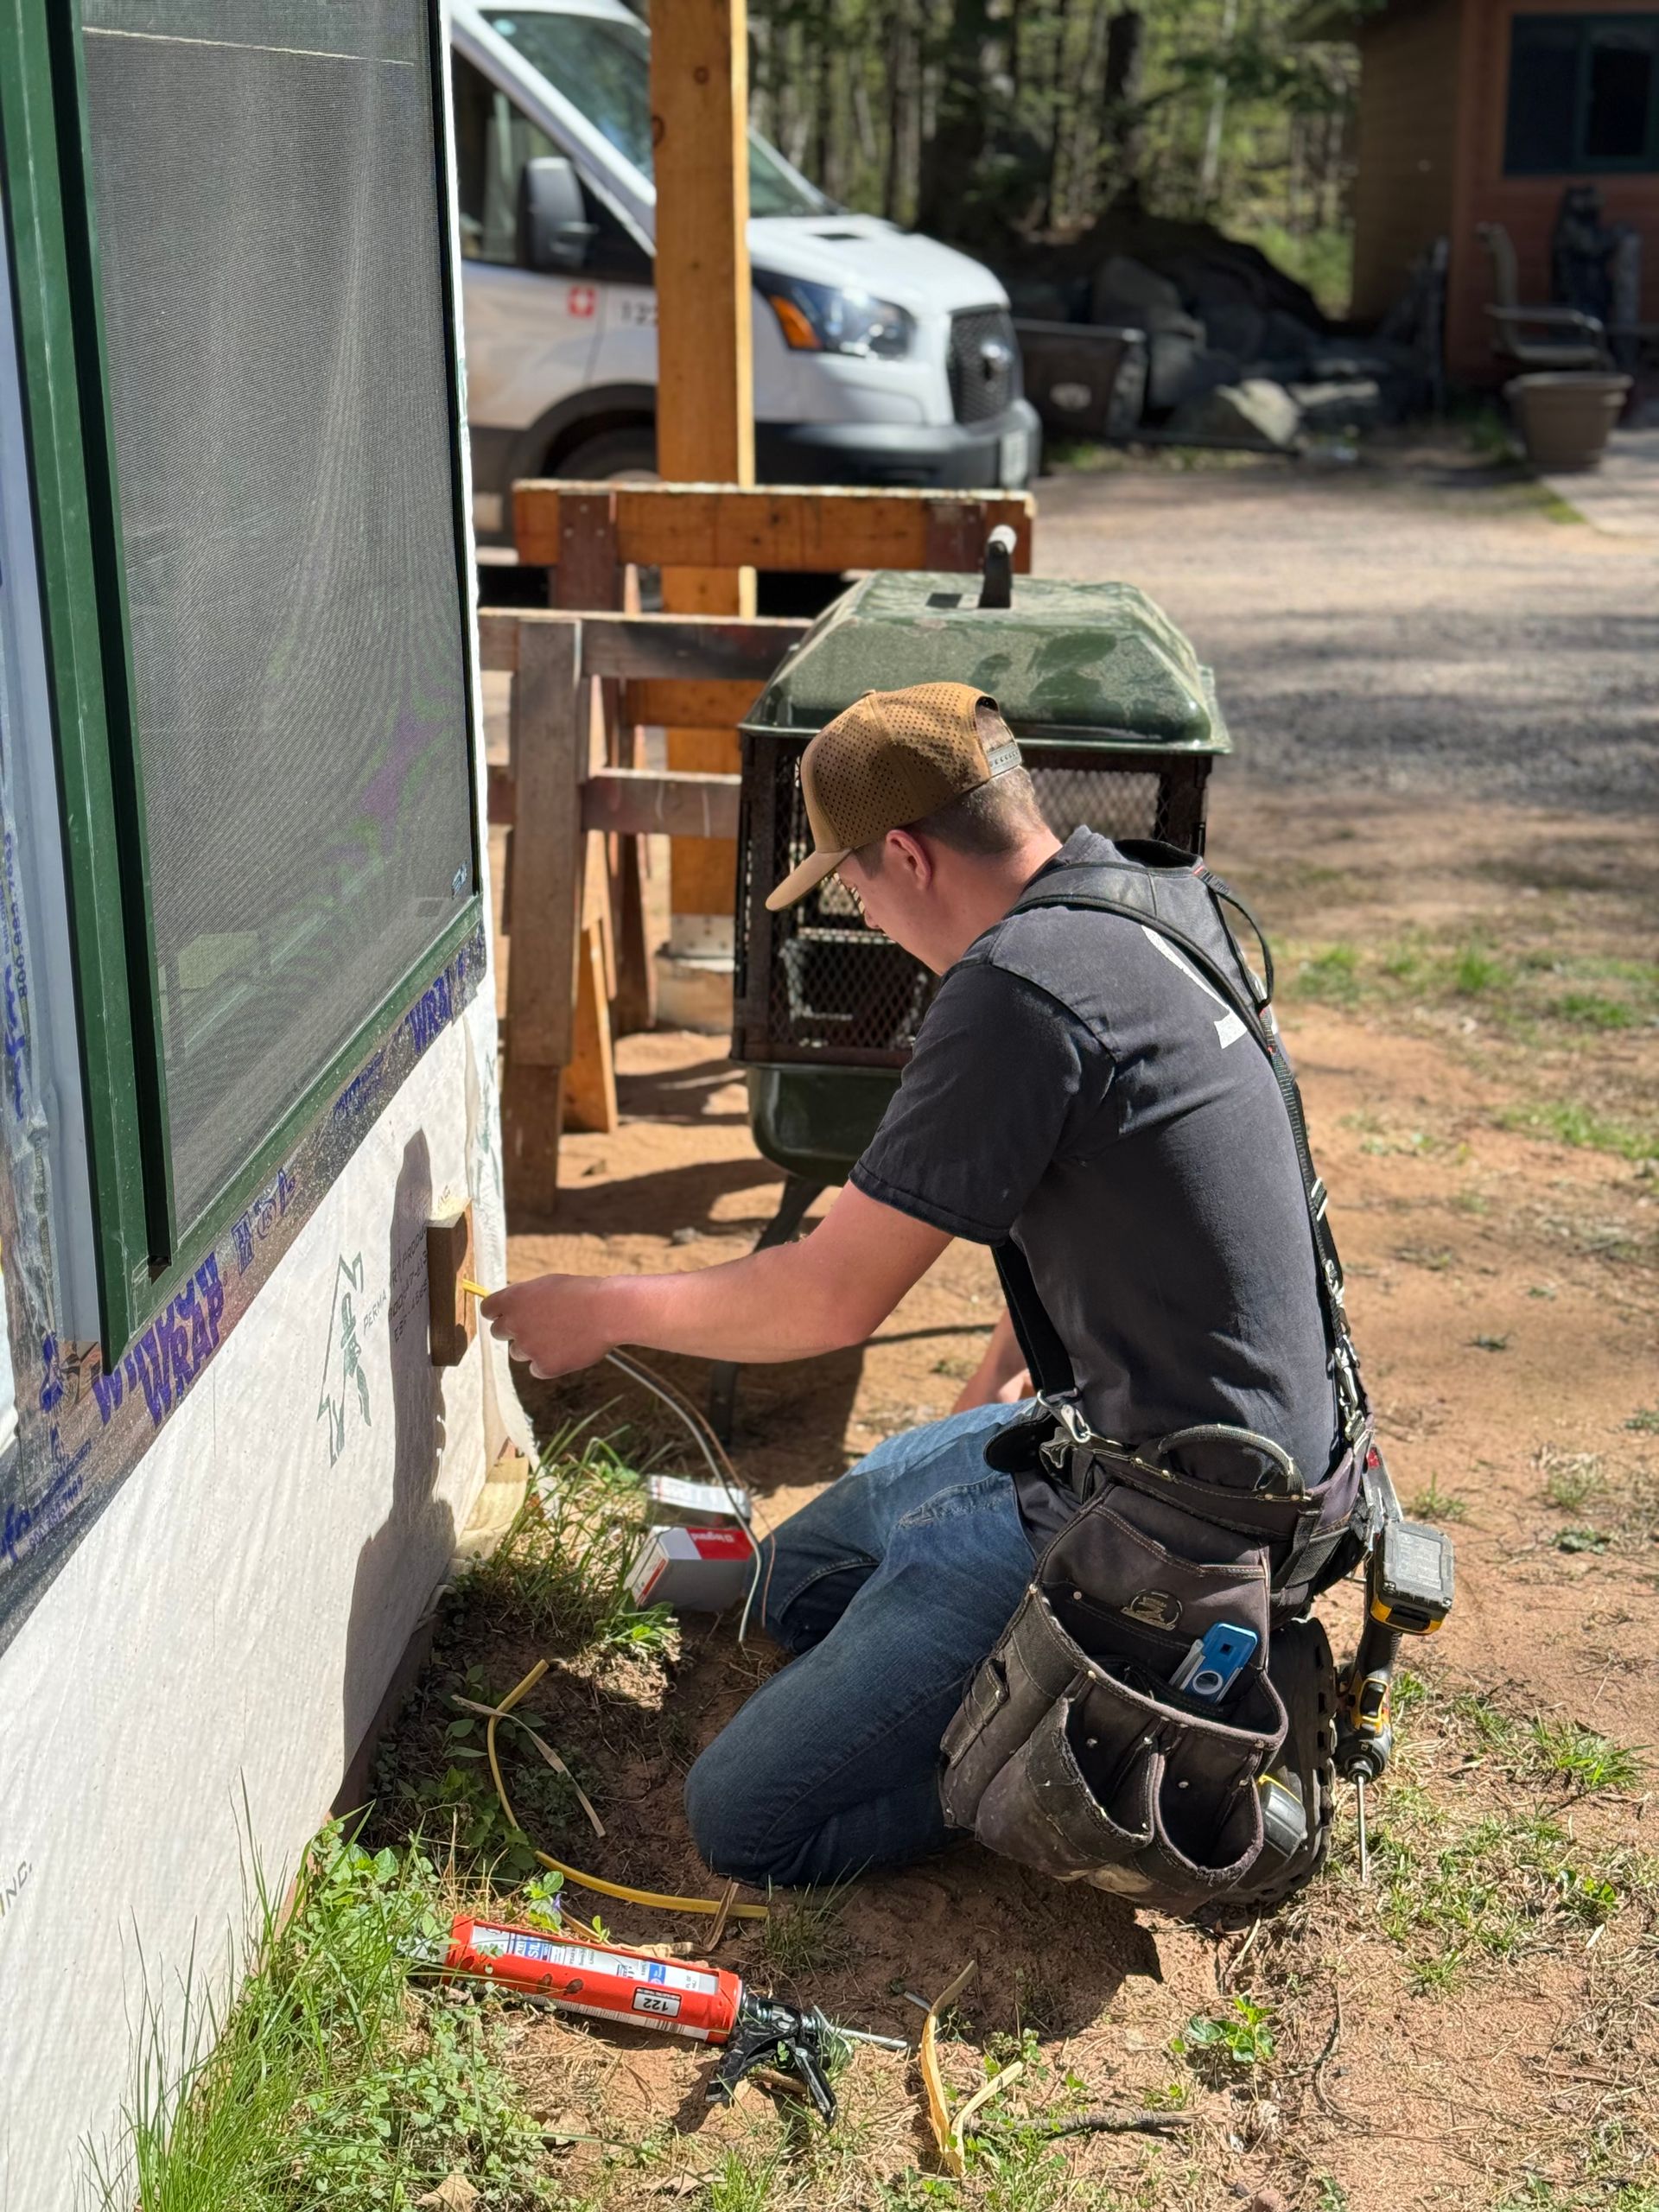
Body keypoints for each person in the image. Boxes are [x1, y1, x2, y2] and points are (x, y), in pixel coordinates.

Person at [482, 681, 1339, 1889]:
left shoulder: (1016, 992)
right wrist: (995, 1387)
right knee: (787, 1589)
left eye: (851, 886)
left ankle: (1045, 1752)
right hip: (1212, 1460)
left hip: (1166, 1531)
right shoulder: (1148, 900)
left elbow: (828, 1300)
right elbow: (1112, 1207)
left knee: (746, 1821)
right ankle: (975, 1631)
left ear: (903, 853)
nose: (865, 914)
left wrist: (601, 1310)